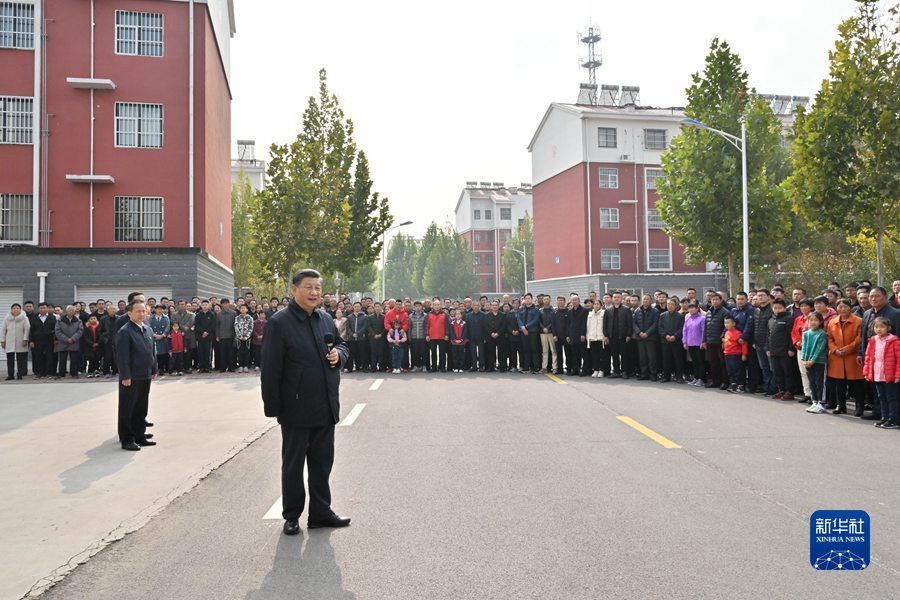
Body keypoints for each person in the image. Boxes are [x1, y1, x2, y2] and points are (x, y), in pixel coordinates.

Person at [260, 268, 351, 534]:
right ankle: (291, 516)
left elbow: (342, 345)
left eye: (318, 288)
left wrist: (339, 355)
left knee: (322, 464)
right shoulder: (279, 323)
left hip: (325, 404)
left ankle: (321, 512)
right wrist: (273, 408)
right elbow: (271, 369)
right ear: (294, 290)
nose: (314, 293)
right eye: (308, 287)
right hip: (295, 409)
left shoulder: (324, 319)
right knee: (293, 466)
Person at [116, 299, 158, 451]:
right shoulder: (125, 332)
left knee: (141, 407)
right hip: (131, 377)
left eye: (143, 311)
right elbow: (122, 357)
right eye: (138, 311)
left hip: (145, 375)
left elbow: (152, 352)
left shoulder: (147, 329)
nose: (141, 314)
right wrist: (125, 376)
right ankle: (127, 439)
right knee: (128, 409)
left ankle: (140, 435)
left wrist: (154, 369)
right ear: (129, 313)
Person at [826, 299, 864, 415]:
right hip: (837, 356)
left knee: (857, 384)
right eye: (840, 307)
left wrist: (847, 349)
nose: (842, 309)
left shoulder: (859, 321)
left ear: (850, 308)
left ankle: (859, 407)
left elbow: (859, 338)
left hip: (852, 356)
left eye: (845, 307)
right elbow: (829, 338)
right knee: (839, 383)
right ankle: (840, 405)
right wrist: (834, 349)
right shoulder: (832, 322)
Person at [863, 317, 899, 429]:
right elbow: (868, 357)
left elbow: (899, 359)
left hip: (890, 375)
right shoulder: (873, 340)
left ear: (888, 328)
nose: (879, 329)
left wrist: (898, 375)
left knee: (891, 397)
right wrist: (866, 371)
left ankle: (893, 419)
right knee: (881, 397)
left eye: (882, 327)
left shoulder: (895, 341)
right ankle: (885, 417)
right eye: (876, 327)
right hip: (877, 374)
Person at [768, 299, 797, 401]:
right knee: (777, 372)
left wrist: (791, 348)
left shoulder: (789, 319)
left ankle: (790, 392)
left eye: (779, 308)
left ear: (784, 308)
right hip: (774, 351)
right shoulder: (771, 319)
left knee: (788, 372)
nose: (777, 310)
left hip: (785, 351)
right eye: (775, 308)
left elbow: (792, 335)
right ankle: (782, 390)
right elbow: (769, 335)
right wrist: (768, 349)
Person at [603, 292, 632, 378]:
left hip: (623, 336)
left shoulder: (626, 309)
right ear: (612, 299)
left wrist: (628, 335)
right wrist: (606, 335)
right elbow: (605, 324)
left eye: (618, 297)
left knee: (624, 355)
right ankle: (616, 371)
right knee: (614, 355)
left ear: (621, 299)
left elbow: (629, 324)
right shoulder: (608, 310)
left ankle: (624, 371)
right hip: (612, 337)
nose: (616, 299)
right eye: (615, 297)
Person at [752, 289, 776, 395]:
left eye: (762, 295)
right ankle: (767, 387)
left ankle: (774, 388)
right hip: (758, 343)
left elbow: (771, 329)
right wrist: (754, 340)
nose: (760, 297)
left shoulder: (772, 310)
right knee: (764, 367)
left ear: (768, 297)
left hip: (769, 344)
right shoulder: (756, 310)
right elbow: (755, 326)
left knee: (772, 368)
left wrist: (769, 345)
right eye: (758, 296)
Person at [633, 294, 659, 381]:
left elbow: (655, 324)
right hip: (640, 338)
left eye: (647, 299)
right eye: (644, 299)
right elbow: (634, 323)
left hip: (650, 338)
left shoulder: (655, 311)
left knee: (652, 357)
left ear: (651, 301)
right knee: (642, 357)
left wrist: (647, 333)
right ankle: (644, 374)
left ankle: (653, 374)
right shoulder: (637, 310)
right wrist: (639, 332)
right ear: (642, 300)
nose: (645, 301)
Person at [659, 298, 686, 383]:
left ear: (675, 306)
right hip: (665, 341)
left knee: (678, 360)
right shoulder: (662, 315)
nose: (670, 306)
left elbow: (682, 328)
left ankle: (679, 377)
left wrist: (675, 336)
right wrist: (665, 335)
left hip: (676, 341)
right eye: (668, 304)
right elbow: (660, 328)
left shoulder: (680, 316)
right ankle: (666, 377)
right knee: (666, 359)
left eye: (672, 304)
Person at [1, 303, 30, 380]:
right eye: (14, 308)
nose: (15, 309)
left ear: (20, 310)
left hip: (21, 341)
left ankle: (20, 374)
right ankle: (10, 375)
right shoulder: (7, 318)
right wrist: (2, 341)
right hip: (9, 341)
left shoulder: (24, 318)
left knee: (21, 359)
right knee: (10, 359)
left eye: (17, 308)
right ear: (11, 310)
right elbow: (3, 330)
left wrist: (25, 339)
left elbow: (27, 329)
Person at [55, 305, 83, 379]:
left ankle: (74, 374)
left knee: (74, 360)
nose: (71, 312)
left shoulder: (78, 320)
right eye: (69, 310)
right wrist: (66, 339)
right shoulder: (60, 320)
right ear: (66, 311)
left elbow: (80, 331)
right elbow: (57, 331)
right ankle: (61, 374)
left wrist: (73, 339)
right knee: (62, 360)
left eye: (72, 310)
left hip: (74, 342)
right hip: (63, 343)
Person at [722, 315, 748, 393]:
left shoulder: (738, 333)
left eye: (728, 323)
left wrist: (744, 354)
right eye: (725, 323)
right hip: (727, 354)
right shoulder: (726, 332)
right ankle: (733, 384)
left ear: (733, 324)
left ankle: (741, 386)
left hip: (736, 354)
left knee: (738, 370)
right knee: (730, 370)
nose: (726, 324)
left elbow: (744, 344)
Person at [683, 302, 706, 386]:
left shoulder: (702, 318)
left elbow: (704, 331)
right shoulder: (688, 319)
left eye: (693, 308)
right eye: (690, 308)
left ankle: (701, 379)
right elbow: (684, 331)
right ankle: (696, 378)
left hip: (699, 344)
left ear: (697, 309)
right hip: (690, 344)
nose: (691, 309)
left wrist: (703, 341)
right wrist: (684, 342)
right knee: (694, 362)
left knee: (700, 362)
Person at [517, 293, 541, 374]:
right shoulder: (521, 309)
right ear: (524, 299)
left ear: (531, 299)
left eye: (529, 298)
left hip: (533, 332)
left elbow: (536, 320)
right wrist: (522, 327)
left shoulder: (536, 309)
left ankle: (535, 368)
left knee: (534, 350)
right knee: (526, 350)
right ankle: (526, 367)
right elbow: (518, 319)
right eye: (526, 298)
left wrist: (526, 327)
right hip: (523, 332)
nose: (527, 299)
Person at [568, 294, 588, 376]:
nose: (574, 302)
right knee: (574, 354)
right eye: (572, 300)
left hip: (581, 335)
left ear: (579, 301)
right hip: (572, 335)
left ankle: (584, 370)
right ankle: (575, 369)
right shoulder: (569, 311)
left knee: (583, 354)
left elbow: (584, 323)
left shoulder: (584, 310)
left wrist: (583, 334)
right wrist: (568, 336)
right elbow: (568, 325)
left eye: (575, 300)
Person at [426, 299, 449, 373]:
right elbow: (426, 326)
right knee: (433, 353)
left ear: (440, 306)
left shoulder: (445, 314)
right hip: (432, 337)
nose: (436, 306)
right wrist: (427, 334)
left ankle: (442, 367)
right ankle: (434, 367)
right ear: (433, 306)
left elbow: (447, 326)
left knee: (442, 353)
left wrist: (447, 334)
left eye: (438, 305)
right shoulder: (429, 314)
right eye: (435, 305)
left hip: (442, 337)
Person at [586, 298, 606, 378]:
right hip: (592, 338)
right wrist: (588, 338)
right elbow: (588, 327)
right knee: (594, 356)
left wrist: (605, 336)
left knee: (602, 356)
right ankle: (596, 370)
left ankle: (602, 370)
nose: (596, 305)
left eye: (598, 304)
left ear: (601, 305)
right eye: (595, 304)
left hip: (601, 338)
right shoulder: (590, 314)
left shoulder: (604, 313)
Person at [194, 300, 216, 373]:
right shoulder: (198, 314)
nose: (205, 306)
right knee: (200, 352)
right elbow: (196, 325)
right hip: (200, 337)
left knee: (208, 352)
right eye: (203, 305)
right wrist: (202, 332)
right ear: (201, 306)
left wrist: (207, 332)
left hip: (209, 337)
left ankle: (208, 367)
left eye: (206, 305)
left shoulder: (212, 314)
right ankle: (201, 367)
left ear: (209, 305)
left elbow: (213, 325)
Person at [216, 298, 237, 373]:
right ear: (221, 305)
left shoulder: (234, 313)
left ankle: (232, 367)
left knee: (231, 353)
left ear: (229, 304)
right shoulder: (218, 314)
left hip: (231, 336)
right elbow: (217, 326)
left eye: (226, 303)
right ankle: (223, 368)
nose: (225, 305)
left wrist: (235, 335)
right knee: (222, 353)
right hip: (222, 336)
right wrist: (217, 335)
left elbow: (235, 325)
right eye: (223, 303)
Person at [346, 302, 368, 373]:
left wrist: (358, 333)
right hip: (351, 338)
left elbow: (364, 327)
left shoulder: (364, 316)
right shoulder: (349, 317)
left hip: (361, 338)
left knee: (362, 353)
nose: (357, 308)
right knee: (351, 354)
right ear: (353, 307)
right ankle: (350, 368)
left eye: (358, 306)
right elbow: (348, 327)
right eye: (355, 306)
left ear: (361, 307)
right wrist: (352, 334)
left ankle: (364, 367)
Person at [149, 304, 171, 374]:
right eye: (158, 309)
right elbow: (149, 327)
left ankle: (162, 368)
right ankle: (156, 369)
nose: (159, 310)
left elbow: (168, 327)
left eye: (161, 309)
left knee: (163, 354)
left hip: (163, 338)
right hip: (154, 338)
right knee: (155, 354)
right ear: (155, 310)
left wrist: (163, 335)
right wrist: (154, 335)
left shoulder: (166, 317)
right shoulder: (151, 318)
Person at [483, 300, 505, 372]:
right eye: (493, 305)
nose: (494, 306)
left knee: (501, 352)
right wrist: (491, 333)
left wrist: (498, 333)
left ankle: (502, 367)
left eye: (496, 305)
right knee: (491, 352)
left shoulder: (502, 314)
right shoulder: (487, 315)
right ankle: (491, 367)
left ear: (498, 306)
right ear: (491, 306)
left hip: (500, 336)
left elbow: (503, 326)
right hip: (490, 336)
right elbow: (485, 326)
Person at [550, 296, 570, 375]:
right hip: (557, 337)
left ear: (564, 302)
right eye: (558, 301)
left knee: (568, 353)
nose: (560, 302)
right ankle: (560, 369)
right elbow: (553, 325)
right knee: (559, 354)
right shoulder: (554, 313)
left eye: (562, 300)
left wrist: (568, 335)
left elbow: (569, 325)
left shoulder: (568, 312)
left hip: (566, 337)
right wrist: (554, 335)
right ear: (557, 302)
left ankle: (569, 369)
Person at [366, 303, 387, 372]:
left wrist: (381, 334)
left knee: (381, 352)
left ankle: (381, 367)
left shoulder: (384, 317)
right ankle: (373, 367)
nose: (377, 308)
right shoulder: (370, 317)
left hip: (382, 337)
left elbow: (385, 327)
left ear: (381, 308)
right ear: (374, 308)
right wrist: (374, 334)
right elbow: (369, 327)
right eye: (376, 307)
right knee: (373, 353)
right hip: (373, 338)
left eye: (378, 307)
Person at [539, 295, 557, 373]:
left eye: (547, 299)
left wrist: (548, 328)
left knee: (553, 350)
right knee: (545, 350)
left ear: (550, 300)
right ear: (543, 301)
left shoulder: (553, 310)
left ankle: (555, 367)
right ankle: (544, 367)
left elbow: (554, 322)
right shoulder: (540, 310)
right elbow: (539, 321)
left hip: (551, 332)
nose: (546, 300)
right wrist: (543, 328)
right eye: (544, 299)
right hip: (543, 333)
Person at [235, 304, 255, 373]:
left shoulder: (250, 318)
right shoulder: (237, 318)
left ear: (247, 310)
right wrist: (240, 336)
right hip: (239, 338)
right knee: (240, 352)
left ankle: (246, 366)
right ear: (240, 310)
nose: (243, 309)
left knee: (247, 352)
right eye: (242, 308)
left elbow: (251, 328)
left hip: (247, 338)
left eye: (244, 308)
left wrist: (246, 336)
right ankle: (240, 366)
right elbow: (236, 327)